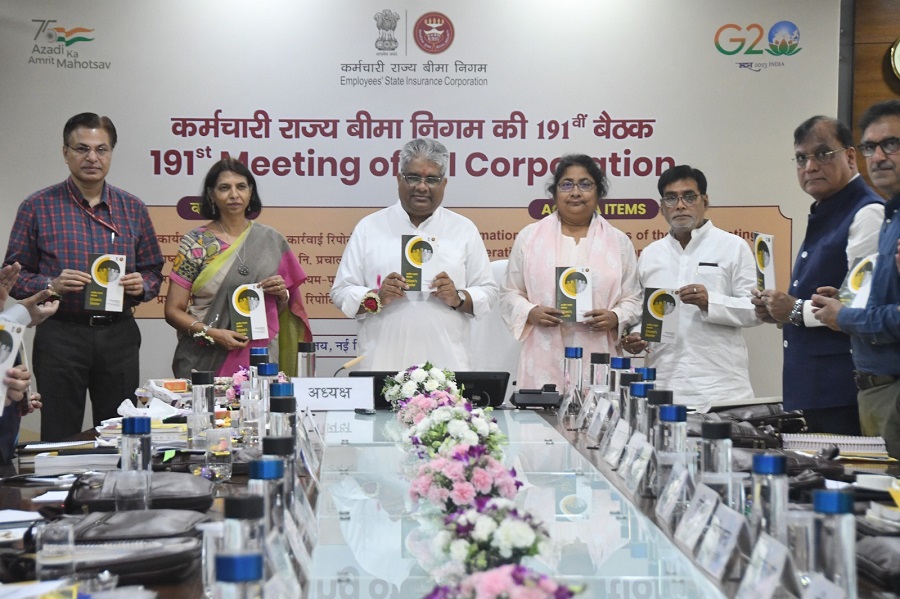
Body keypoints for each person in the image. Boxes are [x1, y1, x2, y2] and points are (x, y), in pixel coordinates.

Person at [3, 113, 164, 441]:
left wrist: (141, 285)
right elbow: (14, 277)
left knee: (120, 433)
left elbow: (152, 272)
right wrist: (51, 285)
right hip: (60, 334)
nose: (92, 157)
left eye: (101, 149)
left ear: (111, 153)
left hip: (118, 334)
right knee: (59, 434)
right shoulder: (37, 206)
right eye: (82, 148)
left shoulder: (132, 208)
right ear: (65, 153)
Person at [751, 116, 884, 434]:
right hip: (815, 388)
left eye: (822, 154)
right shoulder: (827, 210)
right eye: (801, 158)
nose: (810, 166)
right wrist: (778, 311)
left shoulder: (867, 213)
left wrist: (794, 310)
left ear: (850, 156)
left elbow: (858, 306)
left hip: (844, 390)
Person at [330, 138, 498, 371]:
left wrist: (457, 297)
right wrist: (376, 297)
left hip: (446, 365)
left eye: (432, 179)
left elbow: (489, 291)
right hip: (382, 363)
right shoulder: (369, 227)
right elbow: (341, 291)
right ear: (399, 179)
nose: (422, 186)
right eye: (413, 177)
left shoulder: (463, 229)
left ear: (444, 183)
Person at [622, 165, 759, 408]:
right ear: (662, 207)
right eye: (671, 198)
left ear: (705, 201)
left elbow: (755, 311)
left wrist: (710, 302)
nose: (680, 205)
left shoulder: (733, 247)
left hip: (721, 387)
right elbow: (642, 313)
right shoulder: (651, 254)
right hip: (662, 385)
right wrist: (636, 335)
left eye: (689, 197)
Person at [501, 154, 641, 390]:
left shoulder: (619, 242)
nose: (575, 192)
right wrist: (530, 312)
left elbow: (634, 299)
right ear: (554, 193)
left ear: (598, 192)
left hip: (599, 354)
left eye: (585, 184)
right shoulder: (529, 237)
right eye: (567, 184)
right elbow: (509, 293)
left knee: (596, 411)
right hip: (542, 354)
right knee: (542, 414)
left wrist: (615, 317)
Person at [165, 158, 312, 378]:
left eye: (241, 187)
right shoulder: (196, 243)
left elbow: (279, 311)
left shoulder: (272, 241)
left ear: (250, 192)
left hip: (258, 358)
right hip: (204, 359)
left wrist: (281, 296)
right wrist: (212, 334)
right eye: (224, 188)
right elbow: (172, 311)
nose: (234, 194)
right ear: (212, 195)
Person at [812, 100, 900, 455]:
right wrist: (849, 298)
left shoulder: (873, 211)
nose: (877, 157)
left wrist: (845, 316)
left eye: (890, 144)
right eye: (869, 147)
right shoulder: (891, 216)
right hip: (877, 391)